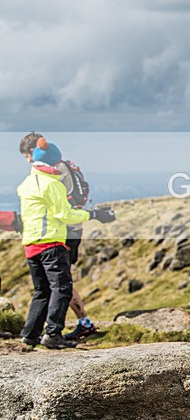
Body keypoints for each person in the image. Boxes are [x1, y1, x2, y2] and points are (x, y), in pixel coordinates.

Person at [17, 137, 115, 349]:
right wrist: (93, 215)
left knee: (41, 291)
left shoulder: (25, 184)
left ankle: (30, 334)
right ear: (54, 162)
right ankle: (53, 333)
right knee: (61, 287)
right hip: (52, 242)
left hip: (31, 244)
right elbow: (64, 214)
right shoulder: (52, 184)